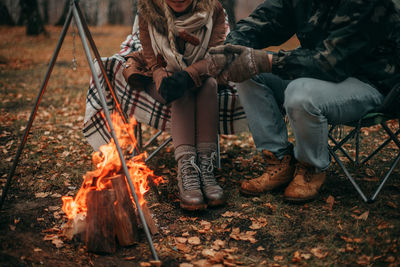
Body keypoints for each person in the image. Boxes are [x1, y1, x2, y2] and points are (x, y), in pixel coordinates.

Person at [208, 0, 400, 202]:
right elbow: (264, 20)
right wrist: (229, 51)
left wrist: (265, 60)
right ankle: (278, 161)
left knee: (299, 94)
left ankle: (310, 168)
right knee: (246, 72)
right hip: (316, 75)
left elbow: (332, 63)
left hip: (372, 83)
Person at [122, 0, 227, 210]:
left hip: (202, 73)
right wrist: (162, 76)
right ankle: (187, 170)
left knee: (210, 85)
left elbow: (216, 56)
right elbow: (151, 57)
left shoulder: (213, 10)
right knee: (181, 93)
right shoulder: (148, 10)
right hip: (164, 76)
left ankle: (205, 168)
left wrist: (188, 75)